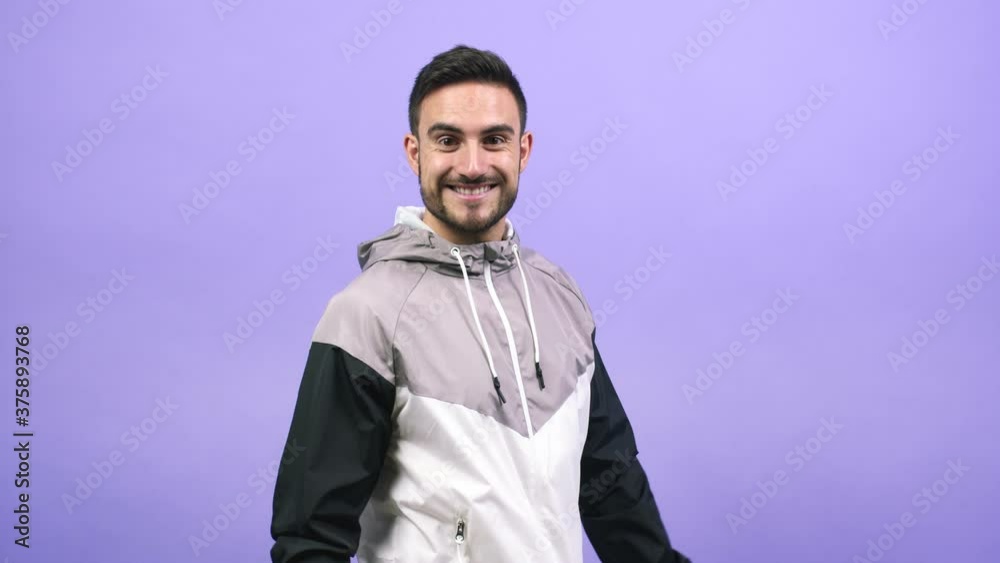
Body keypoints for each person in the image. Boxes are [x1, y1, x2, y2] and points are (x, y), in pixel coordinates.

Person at [269, 44, 691, 563]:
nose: (472, 166)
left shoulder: (559, 296)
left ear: (523, 150)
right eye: (448, 140)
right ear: (414, 152)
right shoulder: (366, 314)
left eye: (494, 140)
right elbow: (310, 538)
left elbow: (612, 484)